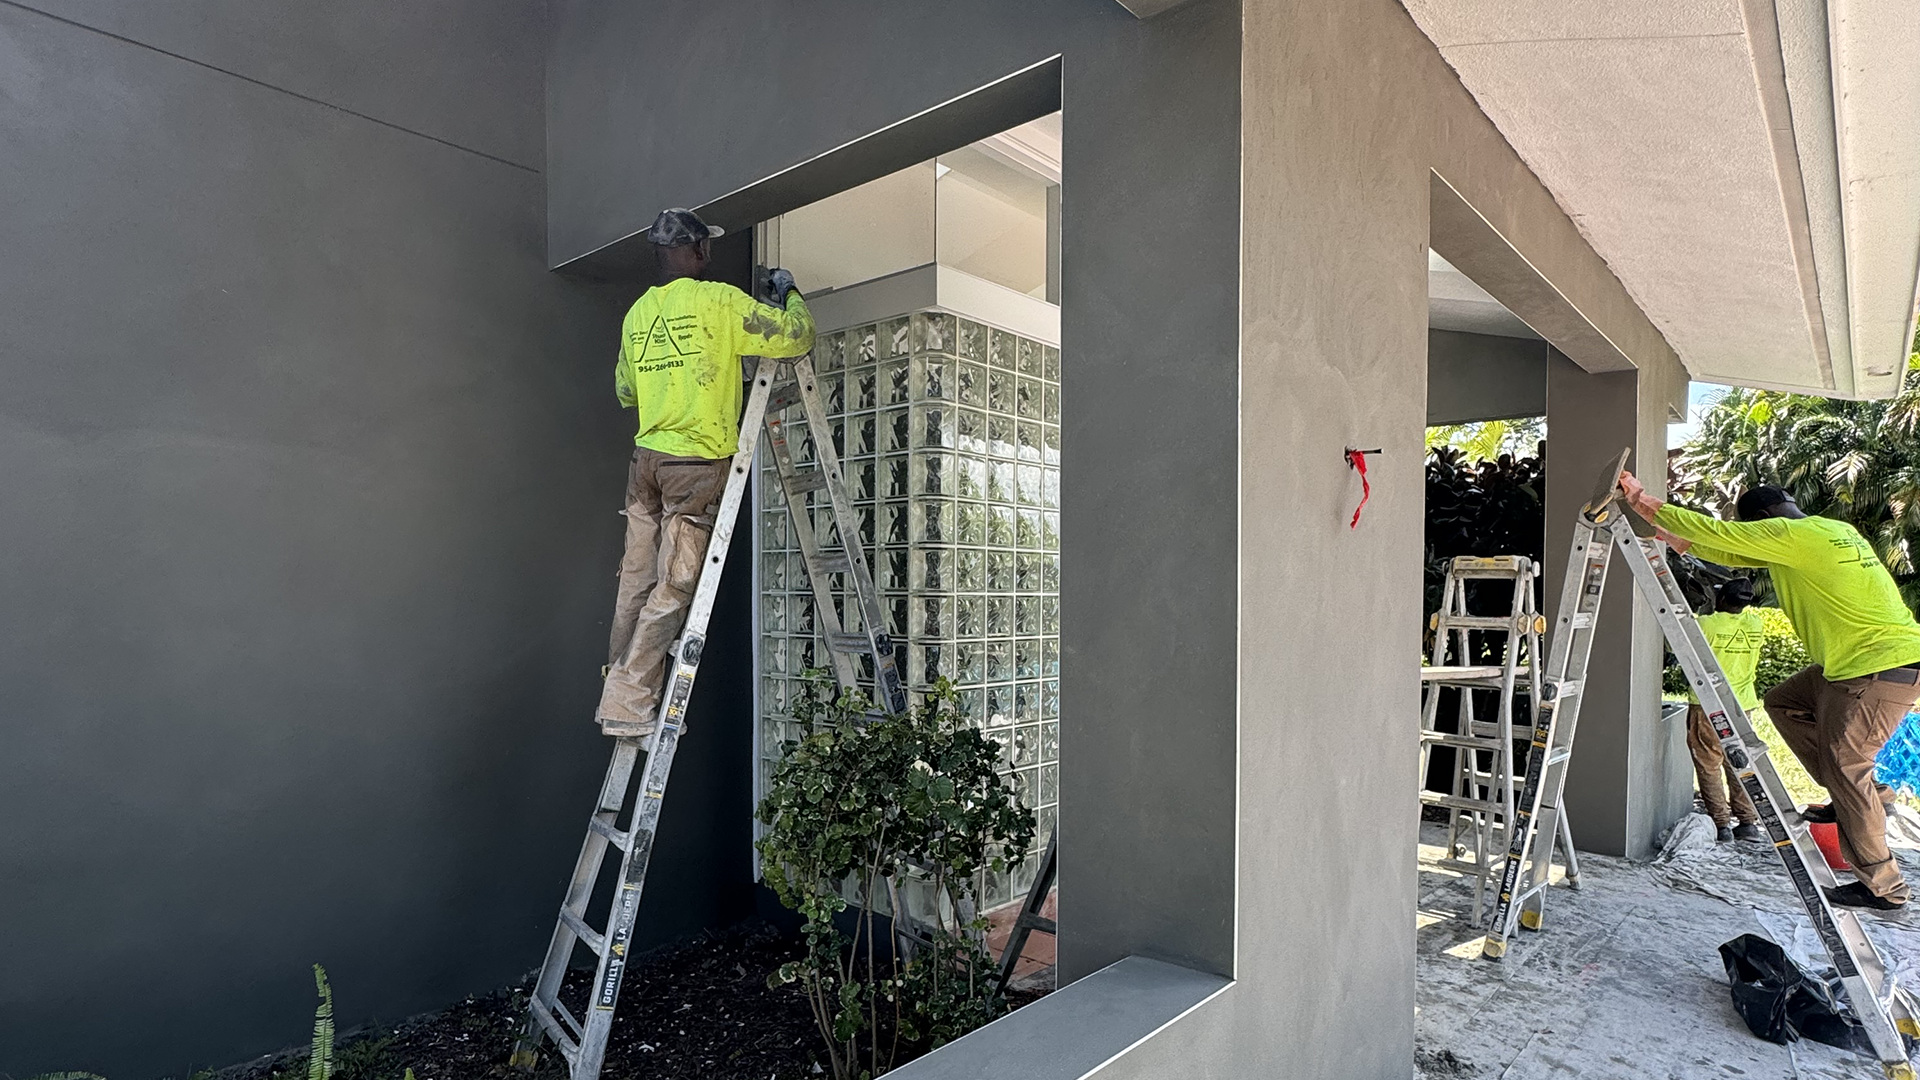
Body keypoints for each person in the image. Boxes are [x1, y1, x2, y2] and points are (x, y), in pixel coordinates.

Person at [1619, 473, 1920, 910]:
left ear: (1762, 518)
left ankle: (1885, 888)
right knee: (1785, 702)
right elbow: (1730, 550)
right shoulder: (1831, 531)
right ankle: (1861, 794)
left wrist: (1642, 501)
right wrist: (1675, 539)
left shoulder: (1787, 535)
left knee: (1847, 768)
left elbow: (1722, 535)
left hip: (1875, 671)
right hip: (1863, 665)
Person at [598, 208, 816, 737]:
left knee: (636, 580)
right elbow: (795, 336)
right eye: (707, 246)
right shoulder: (718, 301)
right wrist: (788, 291)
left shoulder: (637, 314)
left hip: (646, 464)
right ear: (697, 250)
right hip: (693, 468)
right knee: (676, 583)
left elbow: (626, 389)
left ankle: (616, 687)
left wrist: (669, 379)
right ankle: (629, 702)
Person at [1685, 575, 1766, 843]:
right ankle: (1747, 822)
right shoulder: (1755, 624)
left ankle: (1721, 825)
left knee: (1709, 763)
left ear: (1720, 599)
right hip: (1742, 705)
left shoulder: (1706, 624)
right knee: (1739, 762)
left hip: (1707, 705)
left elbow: (1676, 646)